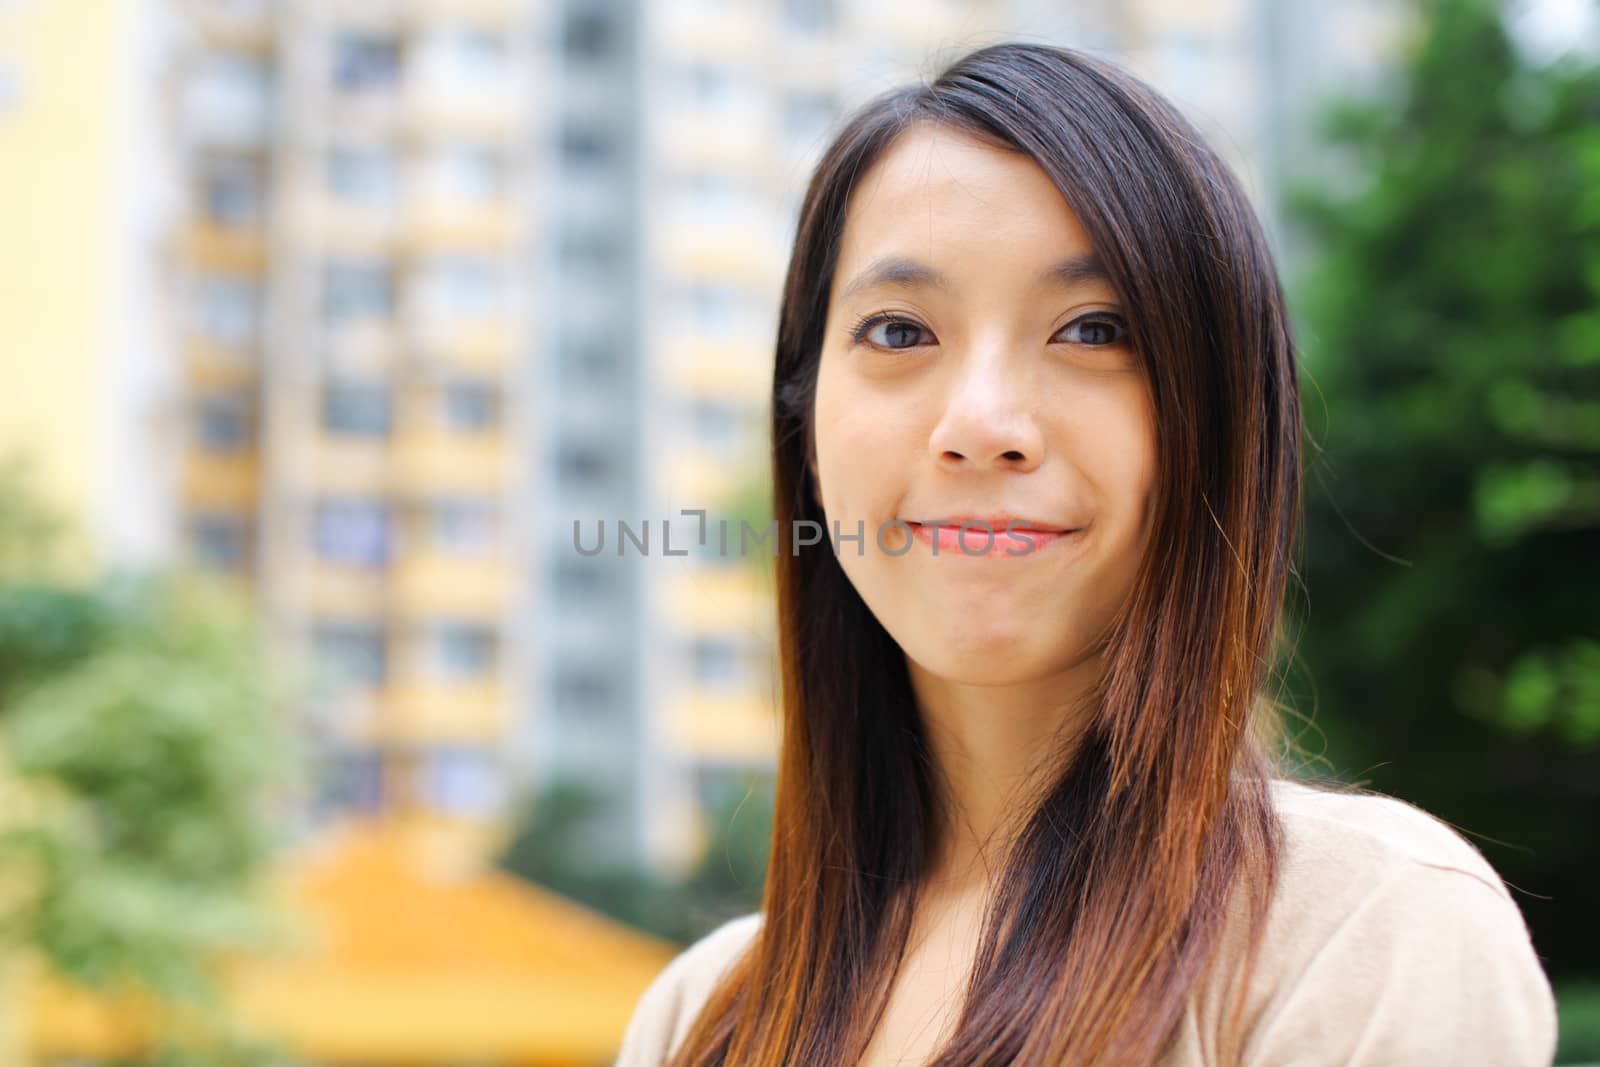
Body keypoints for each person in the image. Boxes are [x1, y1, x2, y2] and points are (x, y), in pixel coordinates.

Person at [616, 41, 1558, 1067]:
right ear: (802, 419)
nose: (981, 423)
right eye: (897, 331)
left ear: (1216, 418)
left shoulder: (1363, 929)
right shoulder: (701, 1014)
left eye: (1094, 328)